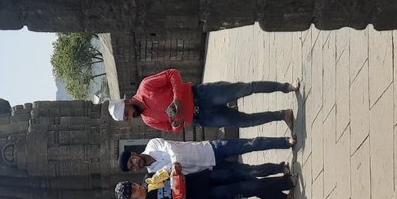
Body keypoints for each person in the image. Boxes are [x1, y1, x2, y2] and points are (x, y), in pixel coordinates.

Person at [107, 68, 299, 132]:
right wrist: (176, 122)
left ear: (126, 102)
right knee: (244, 121)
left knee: (244, 89)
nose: (130, 115)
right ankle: (282, 115)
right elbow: (173, 129)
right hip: (201, 117)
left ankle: (285, 87)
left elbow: (173, 74)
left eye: (127, 112)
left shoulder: (145, 87)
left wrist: (177, 99)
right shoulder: (148, 119)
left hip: (200, 94)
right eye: (127, 117)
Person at [121, 136, 293, 179]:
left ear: (134, 154)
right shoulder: (154, 175)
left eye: (132, 161)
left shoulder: (153, 144)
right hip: (207, 168)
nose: (136, 165)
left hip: (209, 149)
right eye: (133, 168)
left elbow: (170, 148)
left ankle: (285, 141)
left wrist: (175, 165)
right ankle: (280, 168)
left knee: (249, 144)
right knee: (249, 171)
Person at [115, 169, 293, 199]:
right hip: (203, 195)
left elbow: (172, 171)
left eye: (131, 185)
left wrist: (176, 169)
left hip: (201, 178)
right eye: (130, 192)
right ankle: (285, 182)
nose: (134, 188)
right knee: (245, 188)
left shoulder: (149, 179)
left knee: (241, 176)